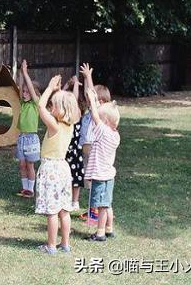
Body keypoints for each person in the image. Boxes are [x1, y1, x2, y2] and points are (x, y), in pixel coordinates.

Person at [35, 75, 81, 254]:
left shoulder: (54, 126)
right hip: (63, 169)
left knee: (52, 212)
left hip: (51, 169)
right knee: (64, 210)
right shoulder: (69, 125)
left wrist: (48, 88)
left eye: (53, 105)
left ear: (60, 110)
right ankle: (65, 244)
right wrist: (57, 91)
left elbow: (40, 106)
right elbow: (61, 105)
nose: (50, 107)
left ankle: (51, 245)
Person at [84, 88, 121, 242]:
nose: (96, 118)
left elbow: (94, 116)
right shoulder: (115, 135)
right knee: (107, 204)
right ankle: (109, 229)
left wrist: (92, 100)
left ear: (105, 122)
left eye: (100, 117)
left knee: (101, 206)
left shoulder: (103, 132)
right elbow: (97, 117)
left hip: (100, 176)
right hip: (109, 175)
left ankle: (100, 233)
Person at [15, 60, 41, 198]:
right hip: (22, 138)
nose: (24, 93)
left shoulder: (36, 104)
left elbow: (30, 88)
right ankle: (25, 188)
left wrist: (26, 73)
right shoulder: (23, 103)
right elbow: (20, 87)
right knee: (22, 165)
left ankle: (31, 189)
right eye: (24, 91)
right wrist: (20, 73)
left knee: (30, 165)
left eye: (27, 92)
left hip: (31, 139)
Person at [63, 76, 85, 211]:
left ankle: (75, 201)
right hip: (65, 152)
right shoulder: (64, 116)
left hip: (76, 151)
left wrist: (75, 84)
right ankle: (66, 199)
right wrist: (66, 85)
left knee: (76, 177)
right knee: (66, 177)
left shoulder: (76, 115)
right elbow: (60, 97)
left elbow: (74, 101)